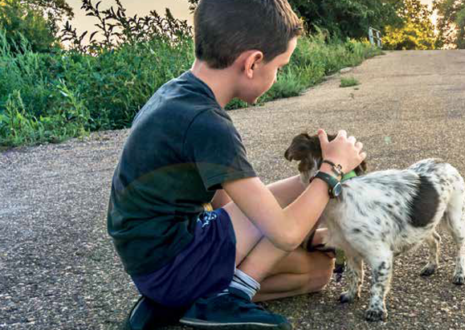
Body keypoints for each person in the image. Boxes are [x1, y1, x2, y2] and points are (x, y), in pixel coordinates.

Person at [106, 0, 366, 329]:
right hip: (172, 265)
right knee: (295, 209)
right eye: (280, 66)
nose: (278, 74)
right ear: (253, 62)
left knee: (317, 272)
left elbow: (227, 205)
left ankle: (177, 304)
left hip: (154, 261)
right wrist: (332, 170)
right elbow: (283, 233)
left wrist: (299, 225)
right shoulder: (207, 123)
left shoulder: (179, 94)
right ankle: (221, 299)